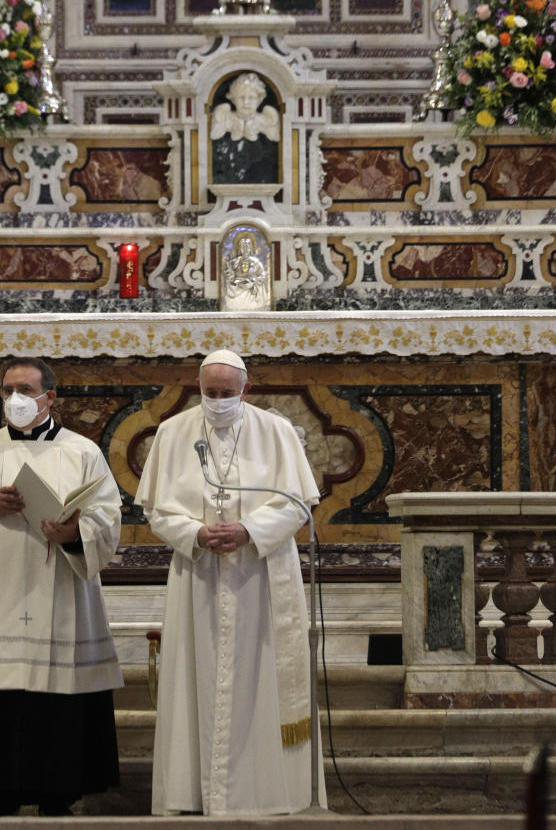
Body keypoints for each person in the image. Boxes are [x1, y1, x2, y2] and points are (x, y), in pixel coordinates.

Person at [0, 356, 123, 814]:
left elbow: (108, 515)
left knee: (54, 701)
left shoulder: (82, 452)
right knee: (0, 694)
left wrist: (75, 532)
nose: (14, 399)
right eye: (7, 390)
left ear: (49, 397)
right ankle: (0, 793)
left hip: (60, 591)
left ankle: (59, 794)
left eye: (25, 389)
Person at [136, 348, 324, 815]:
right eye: (209, 392)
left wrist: (249, 530)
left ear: (248, 388)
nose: (217, 401)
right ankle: (193, 793)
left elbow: (298, 503)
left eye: (227, 393)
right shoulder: (172, 431)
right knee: (196, 678)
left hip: (260, 574)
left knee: (260, 679)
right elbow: (157, 508)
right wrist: (194, 532)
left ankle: (266, 792)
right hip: (197, 572)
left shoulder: (276, 431)